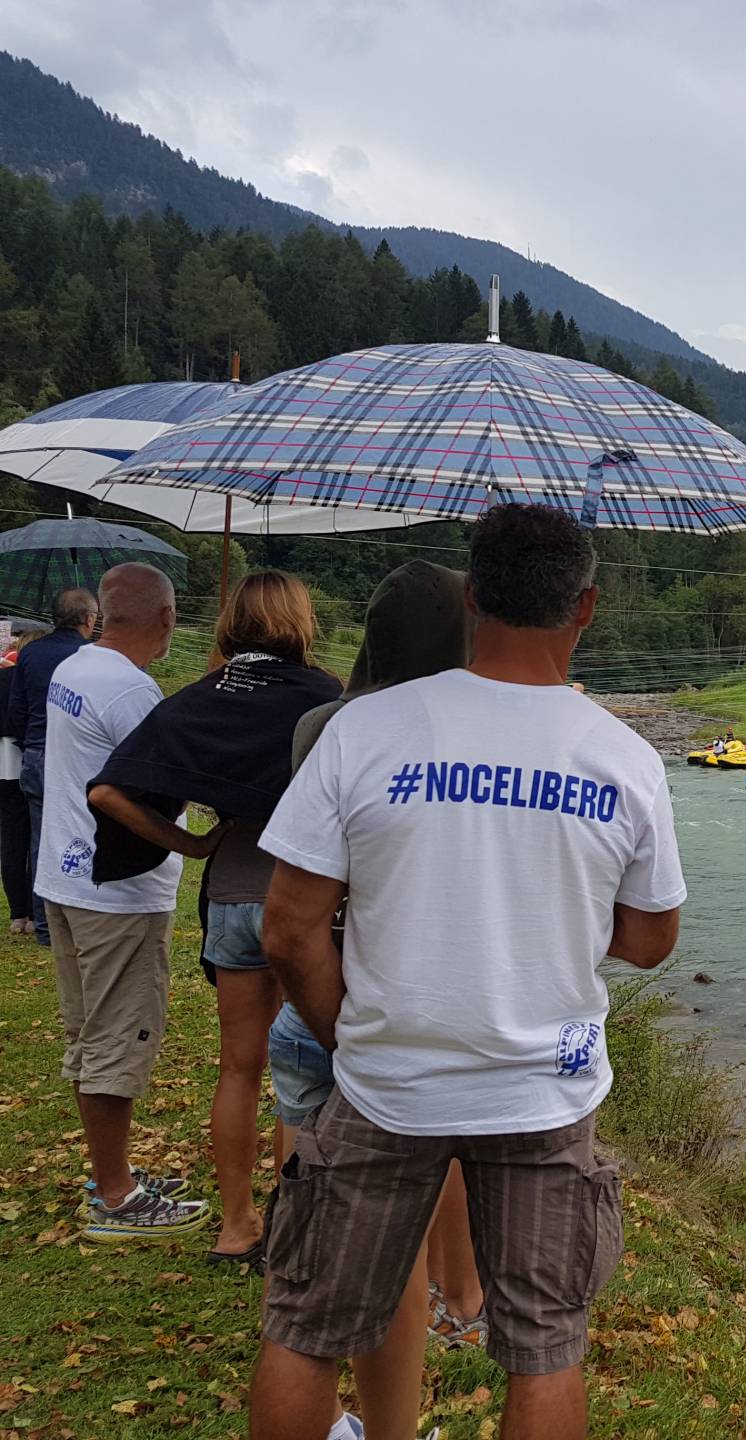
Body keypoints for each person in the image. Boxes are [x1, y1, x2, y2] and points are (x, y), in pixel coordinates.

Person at [248, 505, 685, 1440]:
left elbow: (287, 932)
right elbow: (651, 941)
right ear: (587, 608)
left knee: (308, 1328)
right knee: (546, 1347)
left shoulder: (365, 733)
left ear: (474, 598)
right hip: (545, 1094)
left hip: (387, 1084)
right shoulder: (624, 758)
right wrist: (548, 918)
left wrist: (350, 1033)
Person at [268, 559, 477, 1437]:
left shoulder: (323, 725)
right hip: (400, 1017)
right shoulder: (468, 735)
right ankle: (426, 1365)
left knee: (312, 1280)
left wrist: (329, 1019)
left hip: (315, 1000)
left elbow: (299, 909)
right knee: (388, 1263)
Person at [88, 572, 344, 1266]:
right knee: (304, 1069)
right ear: (299, 622)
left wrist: (196, 844)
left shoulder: (198, 699)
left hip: (230, 893)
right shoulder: (328, 701)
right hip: (304, 902)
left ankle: (236, 1229)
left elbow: (109, 789)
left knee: (239, 1068)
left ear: (233, 624)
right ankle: (292, 1229)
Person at [37, 565, 206, 1241]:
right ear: (166, 620)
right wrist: (192, 846)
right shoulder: (133, 692)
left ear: (106, 613)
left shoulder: (75, 668)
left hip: (64, 876)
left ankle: (111, 1171)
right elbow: (144, 790)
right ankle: (115, 1193)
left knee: (89, 1037)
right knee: (116, 1041)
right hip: (118, 893)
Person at [7, 588, 99, 944]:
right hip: (78, 757)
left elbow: (16, 710)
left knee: (40, 839)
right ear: (89, 619)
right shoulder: (90, 656)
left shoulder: (30, 654)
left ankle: (45, 926)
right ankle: (83, 919)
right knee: (85, 834)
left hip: (37, 753)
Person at [0, 624, 47, 933]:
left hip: (3, 764)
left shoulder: (4, 676)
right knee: (37, 837)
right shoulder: (36, 680)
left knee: (11, 838)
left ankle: (19, 912)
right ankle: (37, 907)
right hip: (29, 757)